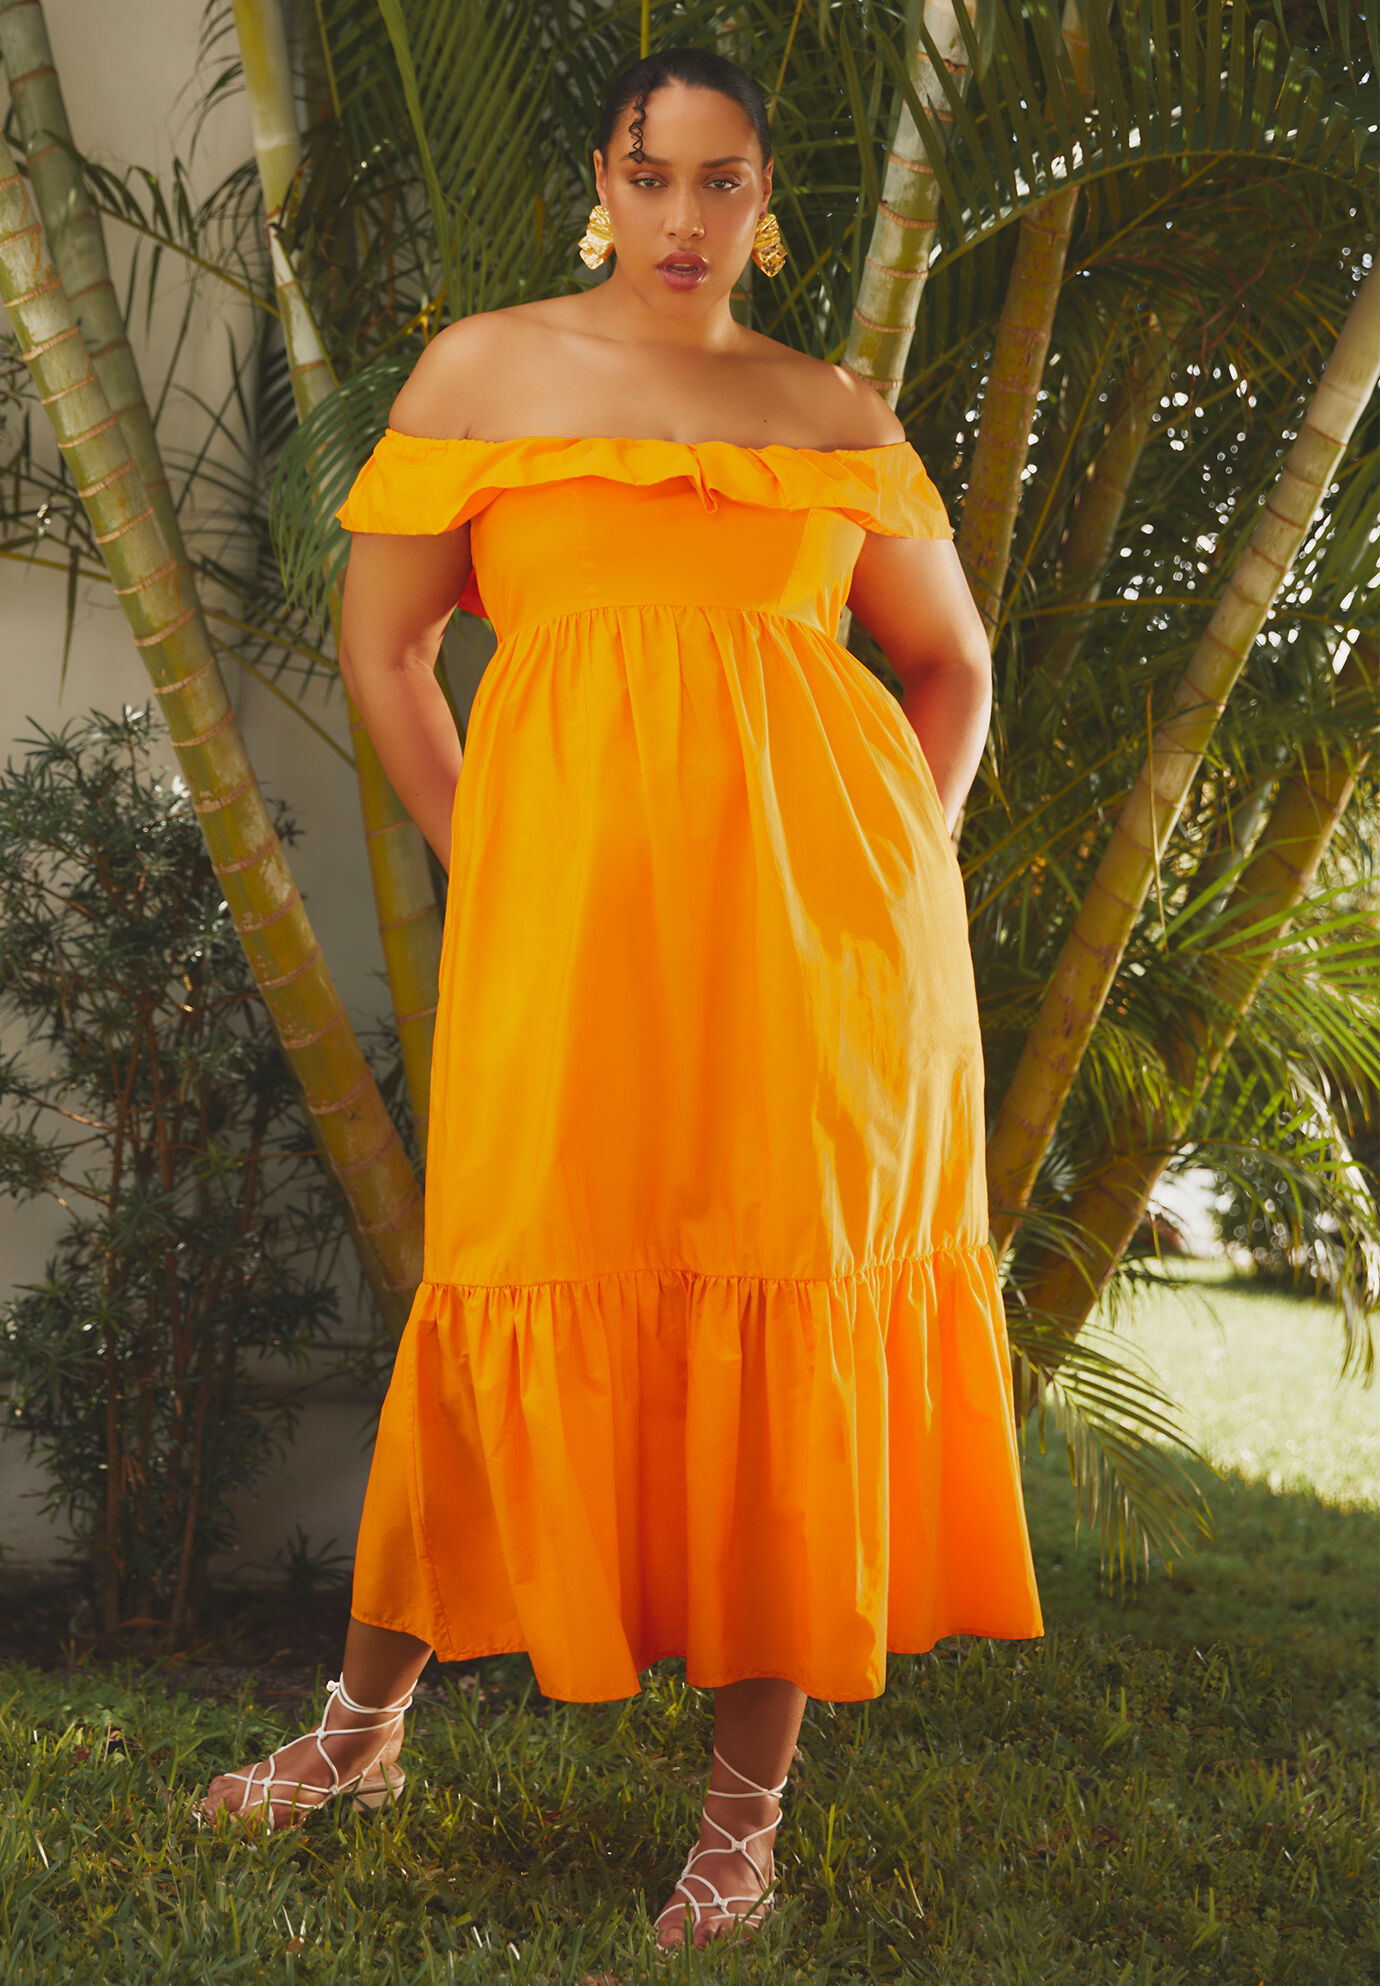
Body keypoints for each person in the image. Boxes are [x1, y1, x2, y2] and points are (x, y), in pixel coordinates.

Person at [198, 43, 1044, 1956]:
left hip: (817, 965)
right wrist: (492, 854)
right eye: (653, 176)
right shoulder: (483, 374)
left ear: (765, 205)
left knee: (783, 1294)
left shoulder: (829, 409)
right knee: (508, 1273)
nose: (684, 216)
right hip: (568, 936)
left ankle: (742, 1825)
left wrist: (885, 877)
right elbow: (387, 645)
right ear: (602, 181)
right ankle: (358, 1730)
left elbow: (950, 667)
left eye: (722, 182)